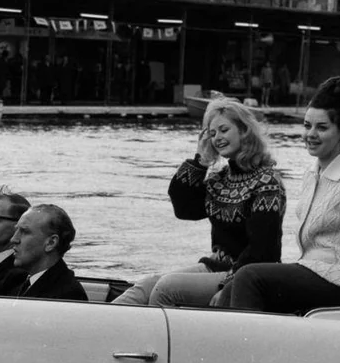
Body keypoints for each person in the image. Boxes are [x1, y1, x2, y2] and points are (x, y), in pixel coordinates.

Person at [221, 76, 340, 313]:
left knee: (250, 276)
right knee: (232, 286)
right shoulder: (312, 174)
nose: (310, 134)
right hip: (314, 272)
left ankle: (251, 347)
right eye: (307, 125)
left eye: (322, 127)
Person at [114, 98, 286, 307]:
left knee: (167, 288)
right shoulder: (220, 179)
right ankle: (99, 327)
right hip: (215, 267)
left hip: (248, 276)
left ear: (244, 131)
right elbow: (184, 208)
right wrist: (201, 160)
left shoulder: (267, 182)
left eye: (224, 130)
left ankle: (162, 339)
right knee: (146, 285)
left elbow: (263, 250)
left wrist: (228, 285)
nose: (217, 138)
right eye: (212, 134)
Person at [0, 204, 88, 301]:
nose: (14, 239)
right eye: (17, 230)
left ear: (51, 243)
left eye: (24, 232)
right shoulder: (17, 281)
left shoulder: (67, 294)